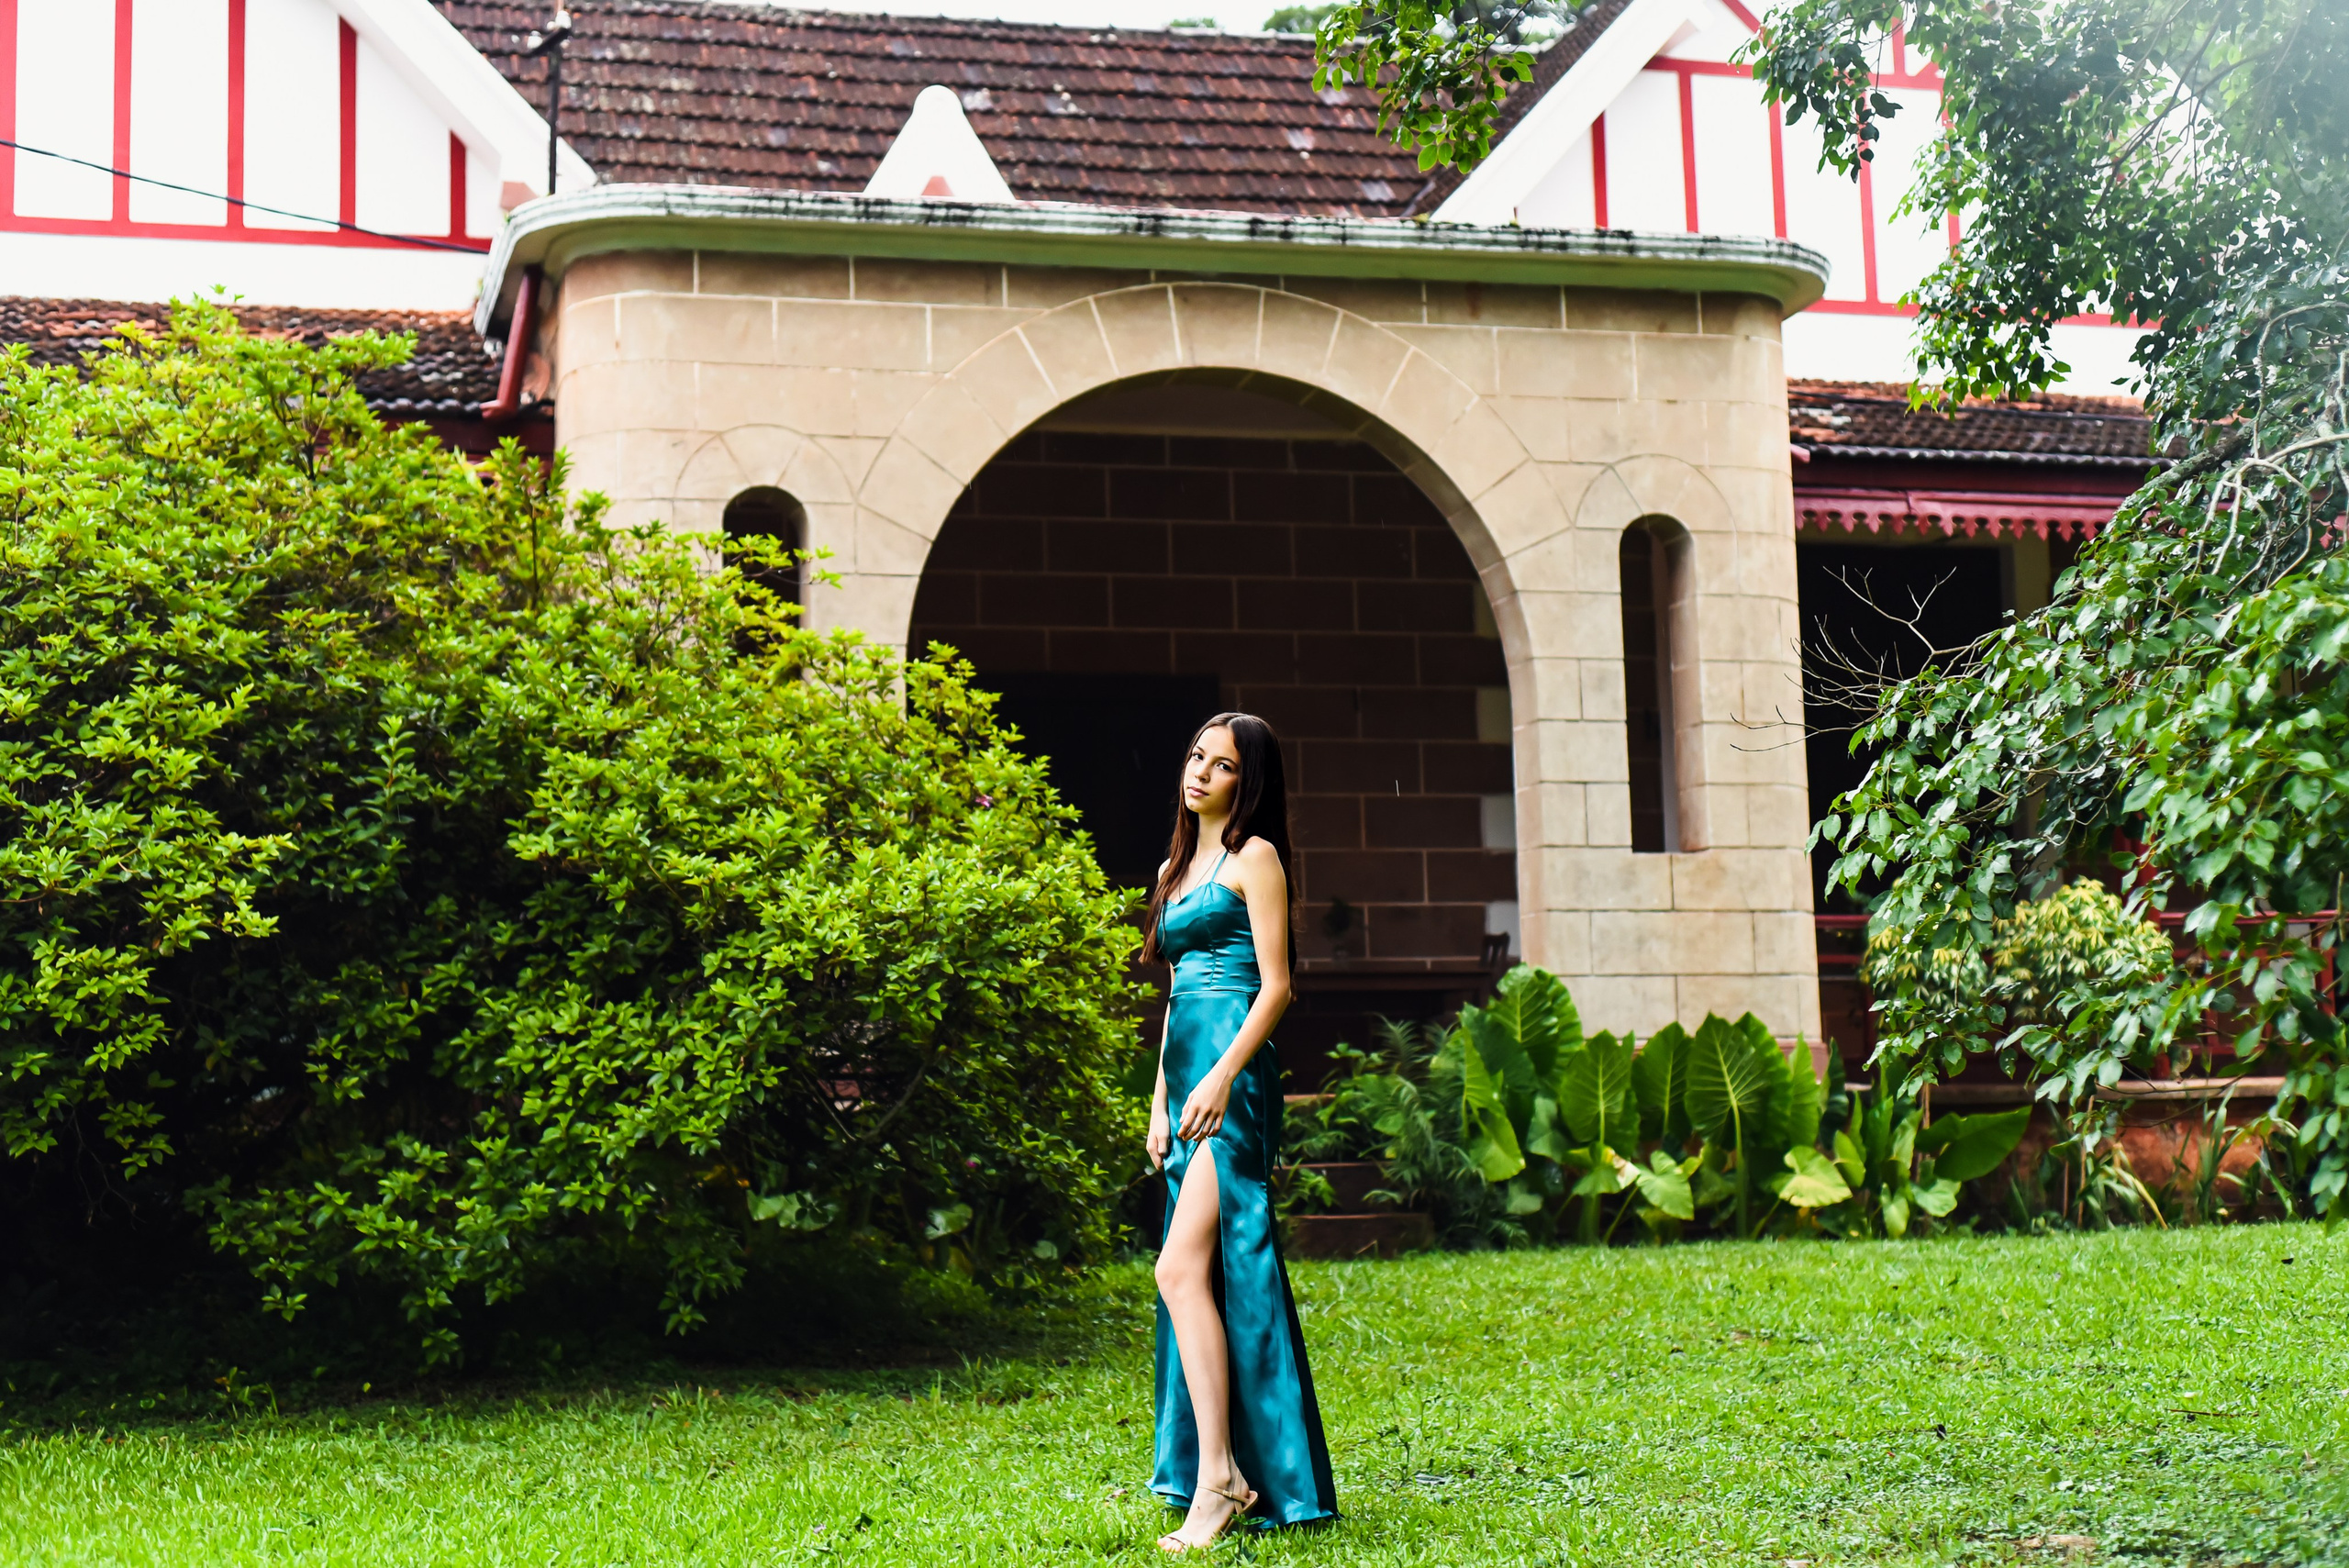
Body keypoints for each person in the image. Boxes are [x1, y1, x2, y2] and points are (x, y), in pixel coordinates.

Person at [1145, 712, 1338, 1551]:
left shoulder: (1255, 858)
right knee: (1201, 1274)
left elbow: (1277, 985)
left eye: (1220, 764)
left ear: (1246, 780)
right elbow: (1177, 992)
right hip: (1186, 1085)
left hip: (1234, 1087)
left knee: (1177, 1268)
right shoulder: (1173, 867)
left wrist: (1222, 1076)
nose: (1200, 771)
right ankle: (1219, 1468)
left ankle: (1221, 1475)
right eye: (1196, 755)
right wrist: (1160, 1099)